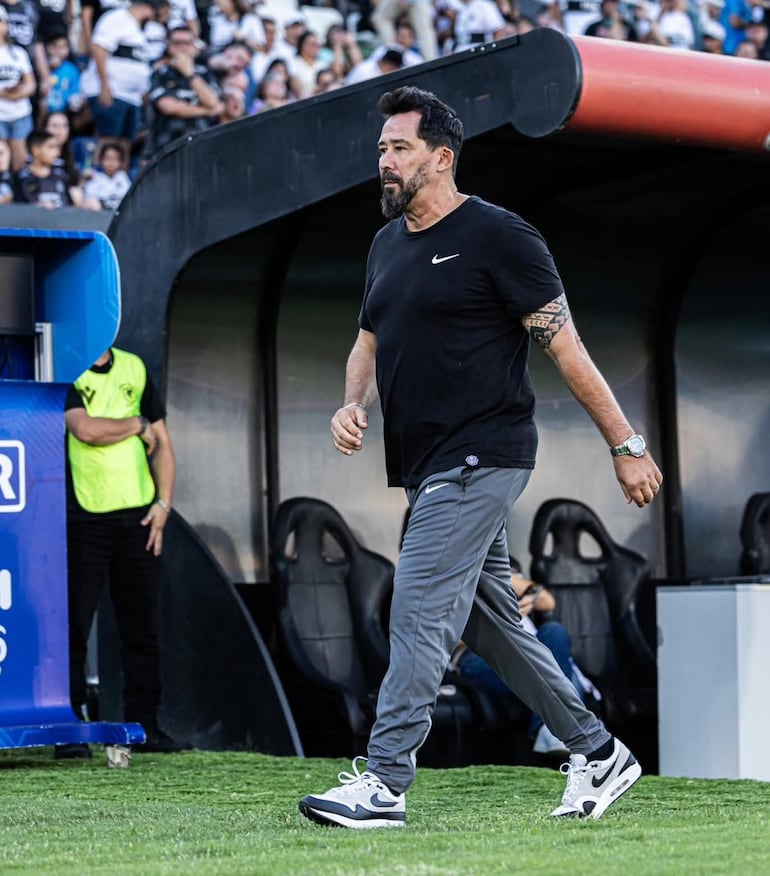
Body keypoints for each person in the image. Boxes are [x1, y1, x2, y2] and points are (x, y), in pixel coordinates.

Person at [299, 86, 662, 828]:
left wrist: (627, 445)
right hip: (427, 463)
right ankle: (597, 749)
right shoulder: (384, 246)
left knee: (420, 604)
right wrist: (352, 404)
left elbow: (565, 346)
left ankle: (386, 783)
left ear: (442, 156)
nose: (385, 161)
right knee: (494, 625)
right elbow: (367, 341)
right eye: (381, 148)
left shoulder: (501, 236)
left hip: (483, 454)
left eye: (399, 147)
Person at [57, 346, 185, 758]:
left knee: (141, 627)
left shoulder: (134, 366)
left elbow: (163, 442)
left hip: (140, 518)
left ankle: (145, 725)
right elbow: (85, 429)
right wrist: (135, 423)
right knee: (74, 626)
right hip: (85, 517)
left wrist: (163, 505)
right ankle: (69, 727)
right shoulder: (65, 366)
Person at [452, 556, 602, 756]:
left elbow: (547, 602)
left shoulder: (499, 569)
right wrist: (496, 623)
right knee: (561, 675)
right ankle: (580, 731)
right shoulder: (450, 574)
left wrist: (500, 576)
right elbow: (445, 636)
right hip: (479, 653)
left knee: (554, 631)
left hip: (528, 646)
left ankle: (549, 730)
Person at [146, 25, 222, 156]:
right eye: (176, 43)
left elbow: (212, 101)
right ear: (169, 46)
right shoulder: (160, 73)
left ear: (194, 47)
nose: (181, 47)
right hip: (166, 147)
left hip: (202, 144)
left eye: (186, 43)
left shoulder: (205, 73)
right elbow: (168, 107)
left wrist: (190, 74)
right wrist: (206, 111)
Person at [0, 4, 35, 171]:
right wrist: (6, 93)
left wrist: (15, 93)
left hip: (20, 112)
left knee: (20, 163)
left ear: (6, 25)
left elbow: (31, 84)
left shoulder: (18, 53)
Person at [13, 127, 86, 207]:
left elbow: (68, 205)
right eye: (51, 147)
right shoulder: (21, 178)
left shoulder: (61, 175)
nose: (57, 153)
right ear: (36, 150)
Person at [83, 140, 132, 208]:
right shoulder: (95, 177)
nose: (111, 162)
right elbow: (90, 198)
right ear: (101, 159)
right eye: (107, 158)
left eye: (115, 159)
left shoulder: (123, 177)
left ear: (121, 161)